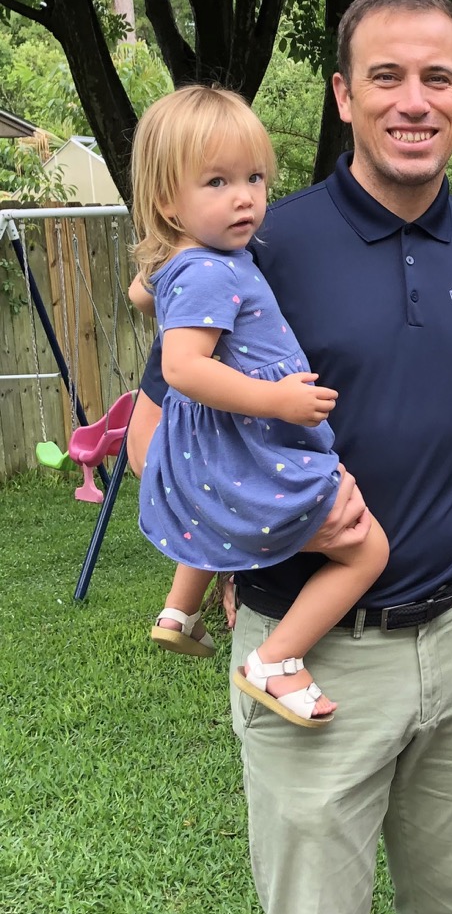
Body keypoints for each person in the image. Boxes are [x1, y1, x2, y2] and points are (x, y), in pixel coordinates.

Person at [128, 0, 452, 914]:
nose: (413, 100)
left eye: (437, 78)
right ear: (344, 95)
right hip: (310, 652)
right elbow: (155, 435)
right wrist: (240, 534)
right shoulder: (262, 240)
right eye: (385, 76)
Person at [130, 85, 389, 725]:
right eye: (216, 182)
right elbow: (182, 367)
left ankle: (178, 611)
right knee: (368, 549)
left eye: (253, 178)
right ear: (166, 201)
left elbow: (142, 294)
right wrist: (276, 399)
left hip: (209, 441)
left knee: (205, 512)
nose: (245, 197)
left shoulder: (188, 259)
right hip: (247, 435)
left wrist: (157, 280)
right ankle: (276, 660)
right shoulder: (210, 271)